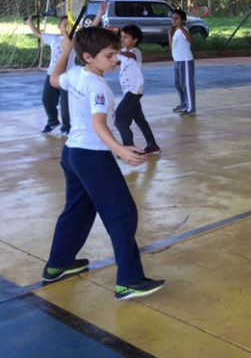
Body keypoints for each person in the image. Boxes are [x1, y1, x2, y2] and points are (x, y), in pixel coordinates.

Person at [43, 26, 165, 300]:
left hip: (72, 154)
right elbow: (99, 125)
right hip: (92, 157)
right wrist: (120, 150)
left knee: (77, 210)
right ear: (88, 57)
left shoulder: (75, 74)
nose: (115, 60)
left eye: (116, 54)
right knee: (122, 213)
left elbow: (53, 79)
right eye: (109, 56)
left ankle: (58, 264)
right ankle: (129, 281)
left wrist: (65, 51)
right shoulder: (98, 86)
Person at [114, 25, 160, 155]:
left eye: (126, 37)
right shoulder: (123, 51)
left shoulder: (135, 52)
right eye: (122, 37)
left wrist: (114, 48)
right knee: (139, 119)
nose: (123, 39)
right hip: (131, 91)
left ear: (135, 40)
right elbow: (114, 59)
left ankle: (128, 148)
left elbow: (126, 55)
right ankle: (152, 144)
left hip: (133, 91)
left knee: (118, 118)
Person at [27, 15, 73, 135]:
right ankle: (53, 121)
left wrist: (99, 14)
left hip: (66, 76)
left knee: (65, 104)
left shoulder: (75, 39)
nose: (67, 27)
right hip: (52, 74)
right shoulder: (53, 38)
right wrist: (29, 22)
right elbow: (38, 33)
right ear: (59, 27)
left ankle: (67, 126)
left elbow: (91, 27)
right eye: (65, 24)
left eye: (69, 24)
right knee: (46, 99)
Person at [168, 9, 196, 116]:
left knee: (187, 85)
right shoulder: (176, 32)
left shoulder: (184, 30)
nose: (174, 21)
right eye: (173, 18)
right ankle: (184, 103)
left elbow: (190, 39)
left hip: (185, 61)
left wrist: (180, 28)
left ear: (183, 20)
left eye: (177, 18)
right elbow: (172, 47)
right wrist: (169, 35)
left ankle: (191, 108)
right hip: (177, 61)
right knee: (178, 84)